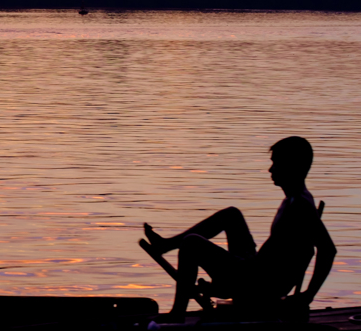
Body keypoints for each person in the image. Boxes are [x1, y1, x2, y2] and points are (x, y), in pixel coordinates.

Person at [139, 136, 336, 320]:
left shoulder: (300, 206)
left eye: (277, 163)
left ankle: (177, 314)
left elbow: (327, 250)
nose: (270, 170)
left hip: (257, 286)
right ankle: (166, 245)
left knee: (192, 244)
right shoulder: (292, 199)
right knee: (231, 215)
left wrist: (308, 295)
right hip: (254, 269)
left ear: (294, 167)